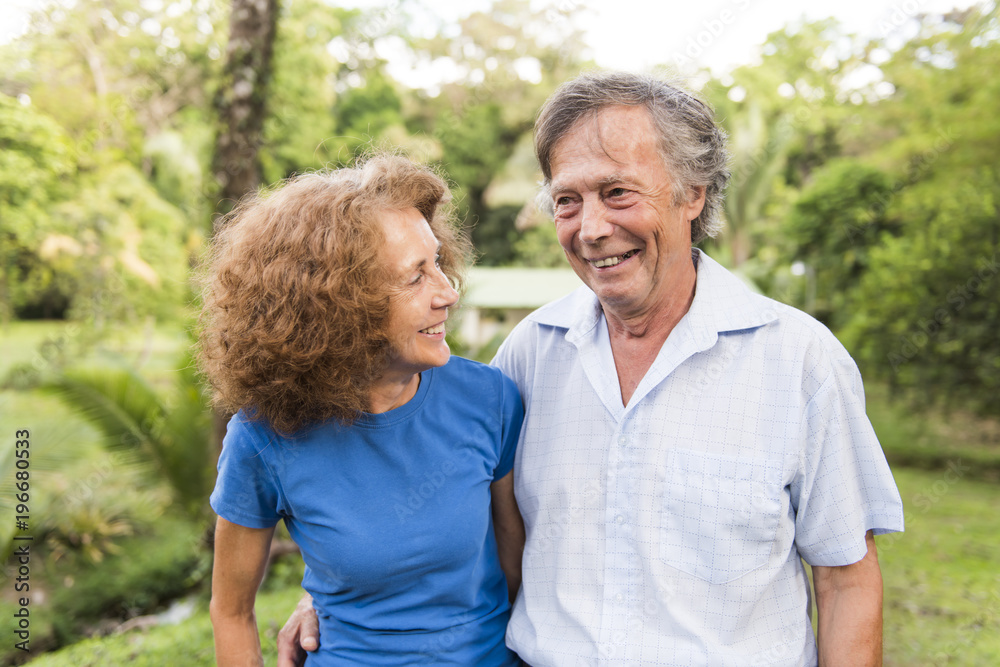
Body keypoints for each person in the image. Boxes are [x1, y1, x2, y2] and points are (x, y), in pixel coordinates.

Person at [279, 72, 904, 666]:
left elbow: (846, 577)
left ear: (693, 193)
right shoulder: (528, 354)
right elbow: (431, 502)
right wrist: (327, 592)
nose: (592, 228)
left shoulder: (801, 361)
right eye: (567, 201)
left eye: (617, 193)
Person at [200, 155, 526, 666]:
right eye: (415, 277)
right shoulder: (265, 437)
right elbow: (231, 612)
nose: (447, 293)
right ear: (337, 306)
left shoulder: (488, 398)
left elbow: (517, 567)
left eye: (437, 263)